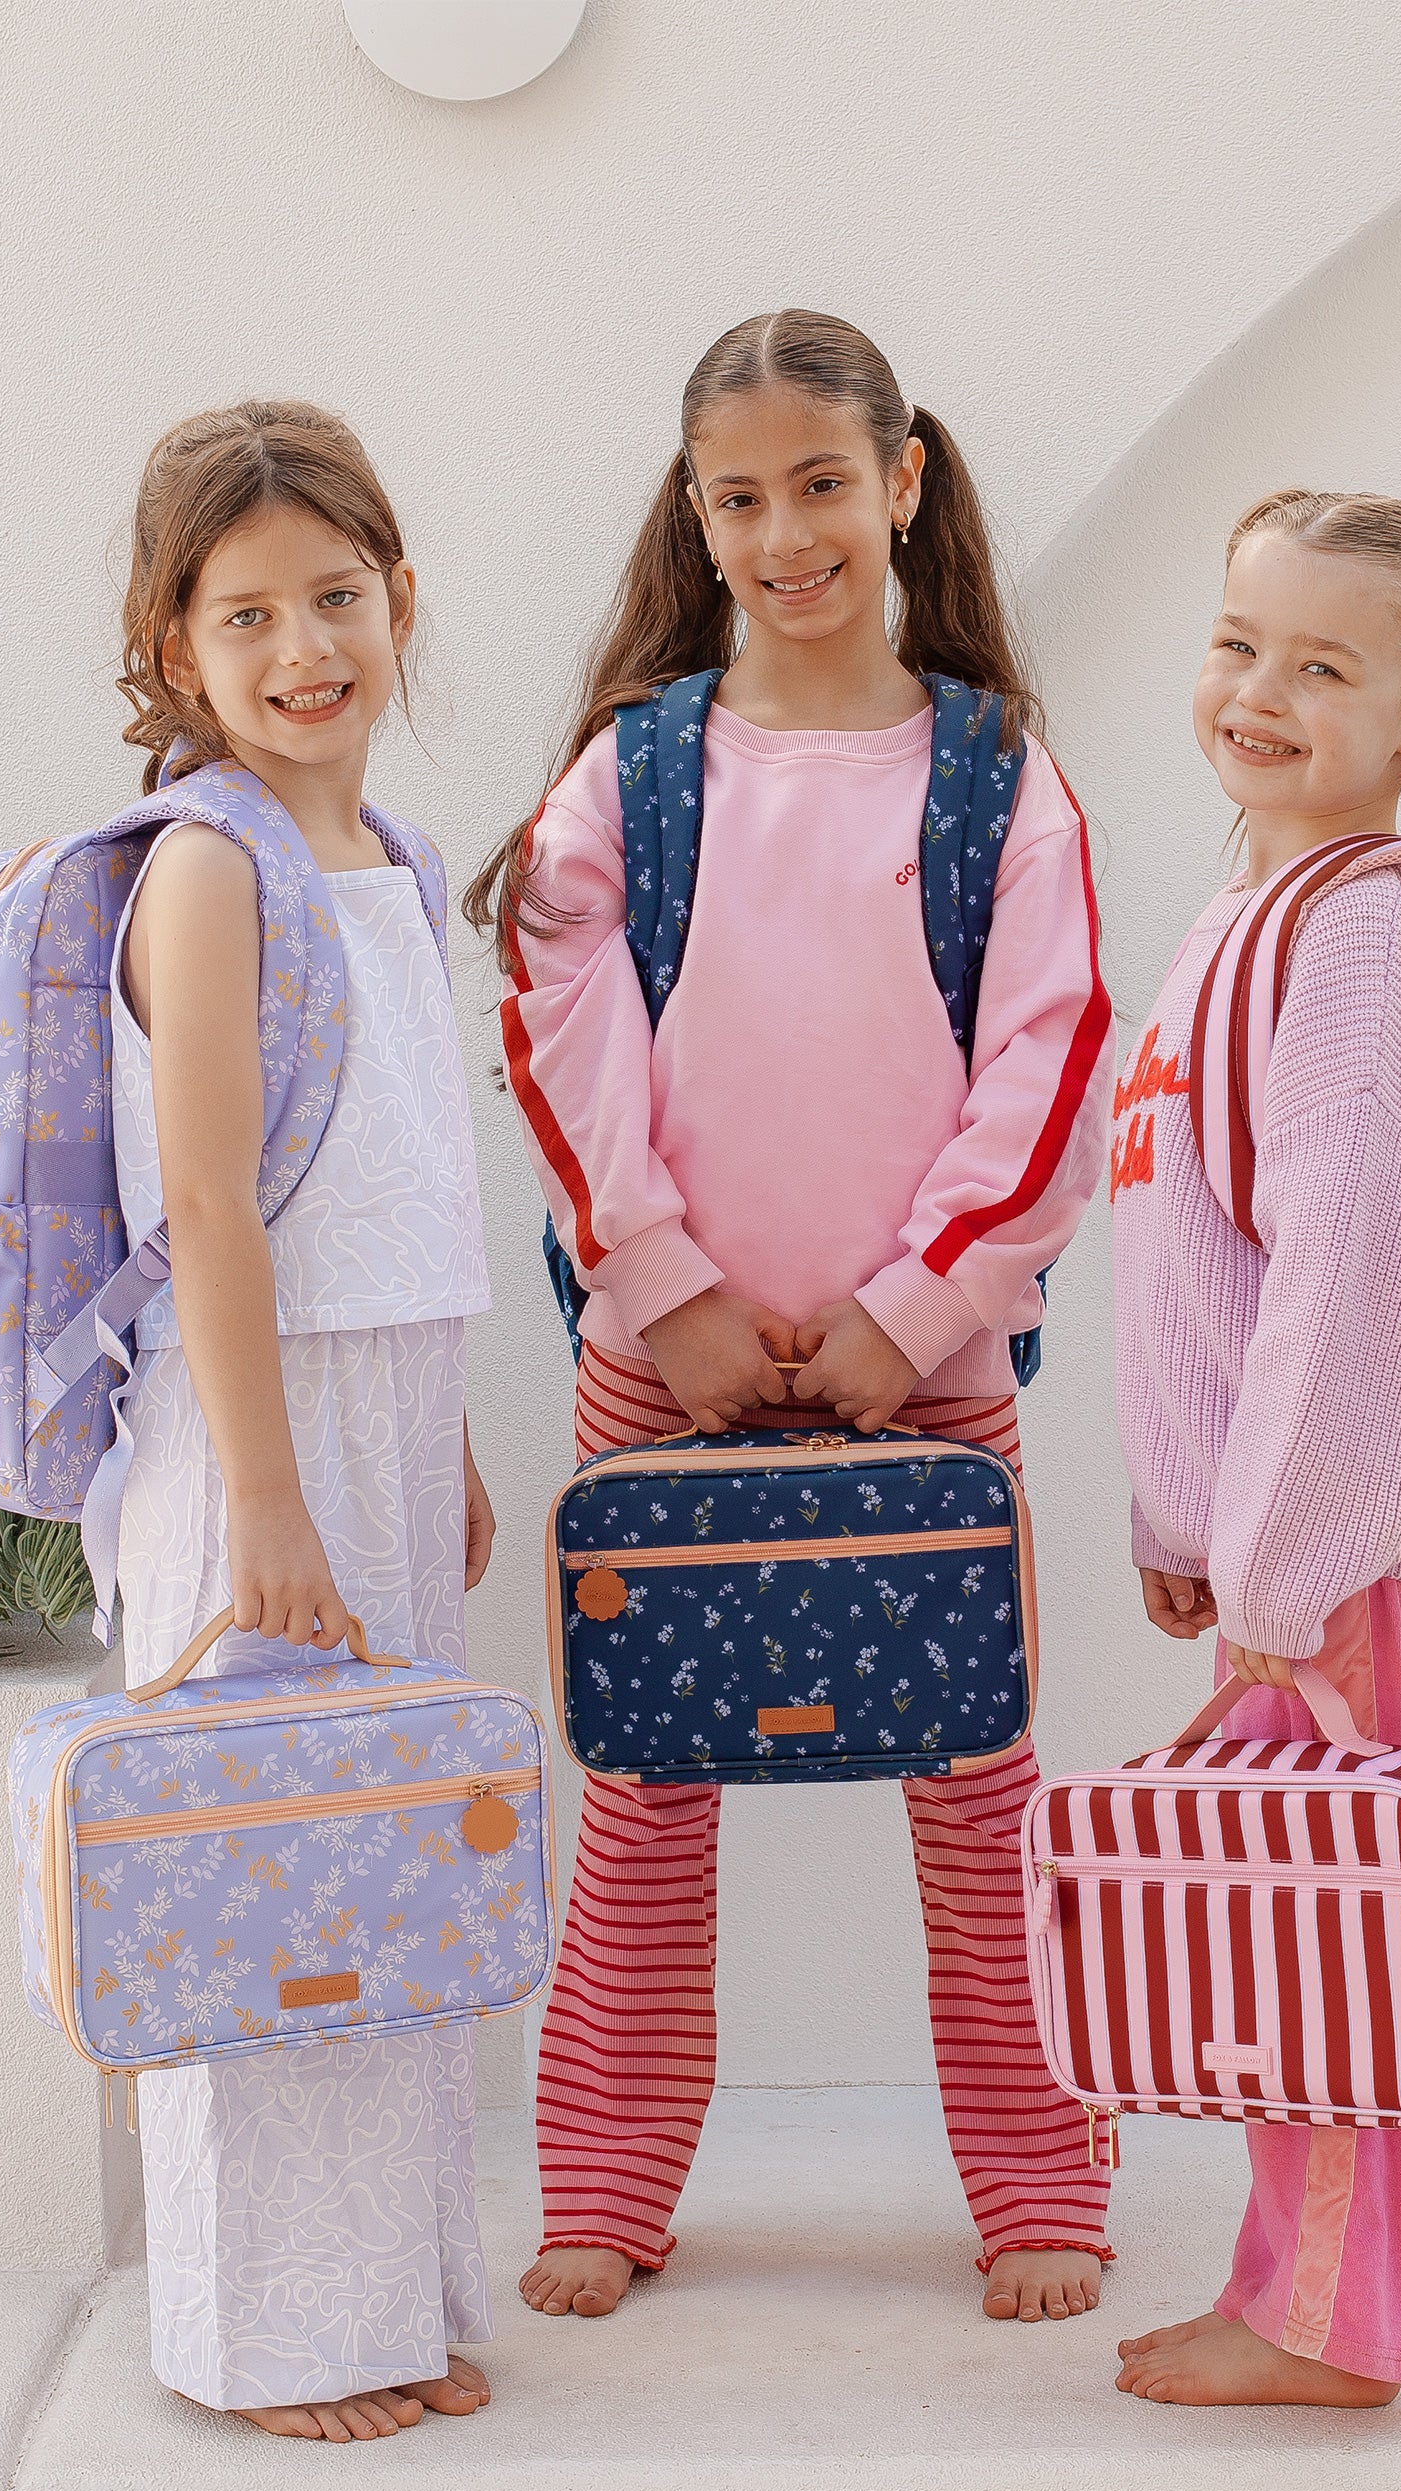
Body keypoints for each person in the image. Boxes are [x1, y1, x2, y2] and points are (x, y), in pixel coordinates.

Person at [466, 309, 1115, 2323]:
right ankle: (604, 2181)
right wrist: (664, 1294)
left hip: (925, 1384)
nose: (783, 532)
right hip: (661, 1378)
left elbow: (1051, 1059)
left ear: (900, 479)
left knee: (978, 1796)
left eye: (820, 484)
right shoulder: (632, 773)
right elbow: (556, 1037)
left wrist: (915, 1306)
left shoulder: (995, 772)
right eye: (737, 496)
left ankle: (1038, 2187)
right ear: (695, 509)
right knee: (646, 1797)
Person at [1109, 488, 1401, 2405]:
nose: (1261, 690)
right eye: (1239, 642)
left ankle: (1323, 2322)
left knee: (1329, 1927)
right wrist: (1178, 1513)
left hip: (1344, 1543)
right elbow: (1200, 1256)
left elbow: (1366, 1268)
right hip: (1294, 1534)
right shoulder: (1263, 913)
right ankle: (1314, 2300)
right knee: (1294, 1914)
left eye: (1325, 665)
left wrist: (1281, 1563)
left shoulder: (1365, 937)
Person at [107, 400, 497, 2441]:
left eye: (333, 595)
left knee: (383, 1870)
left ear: (397, 598)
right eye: (243, 611)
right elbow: (208, 1209)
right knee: (252, 1876)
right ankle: (266, 2335)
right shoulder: (205, 863)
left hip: (377, 1398)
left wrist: (435, 1446)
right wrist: (266, 1489)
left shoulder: (397, 860)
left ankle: (388, 2296)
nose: (299, 647)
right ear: (176, 647)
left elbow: (396, 1178)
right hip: (250, 1425)